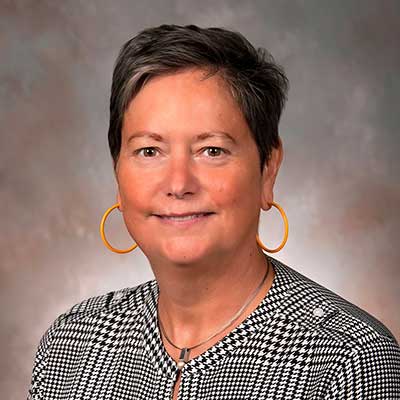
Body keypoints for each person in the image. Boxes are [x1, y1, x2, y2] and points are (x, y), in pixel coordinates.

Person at [27, 24, 400, 399]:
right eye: (149, 151)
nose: (178, 183)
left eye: (212, 150)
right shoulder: (72, 344)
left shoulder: (349, 360)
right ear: (117, 173)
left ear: (268, 169)